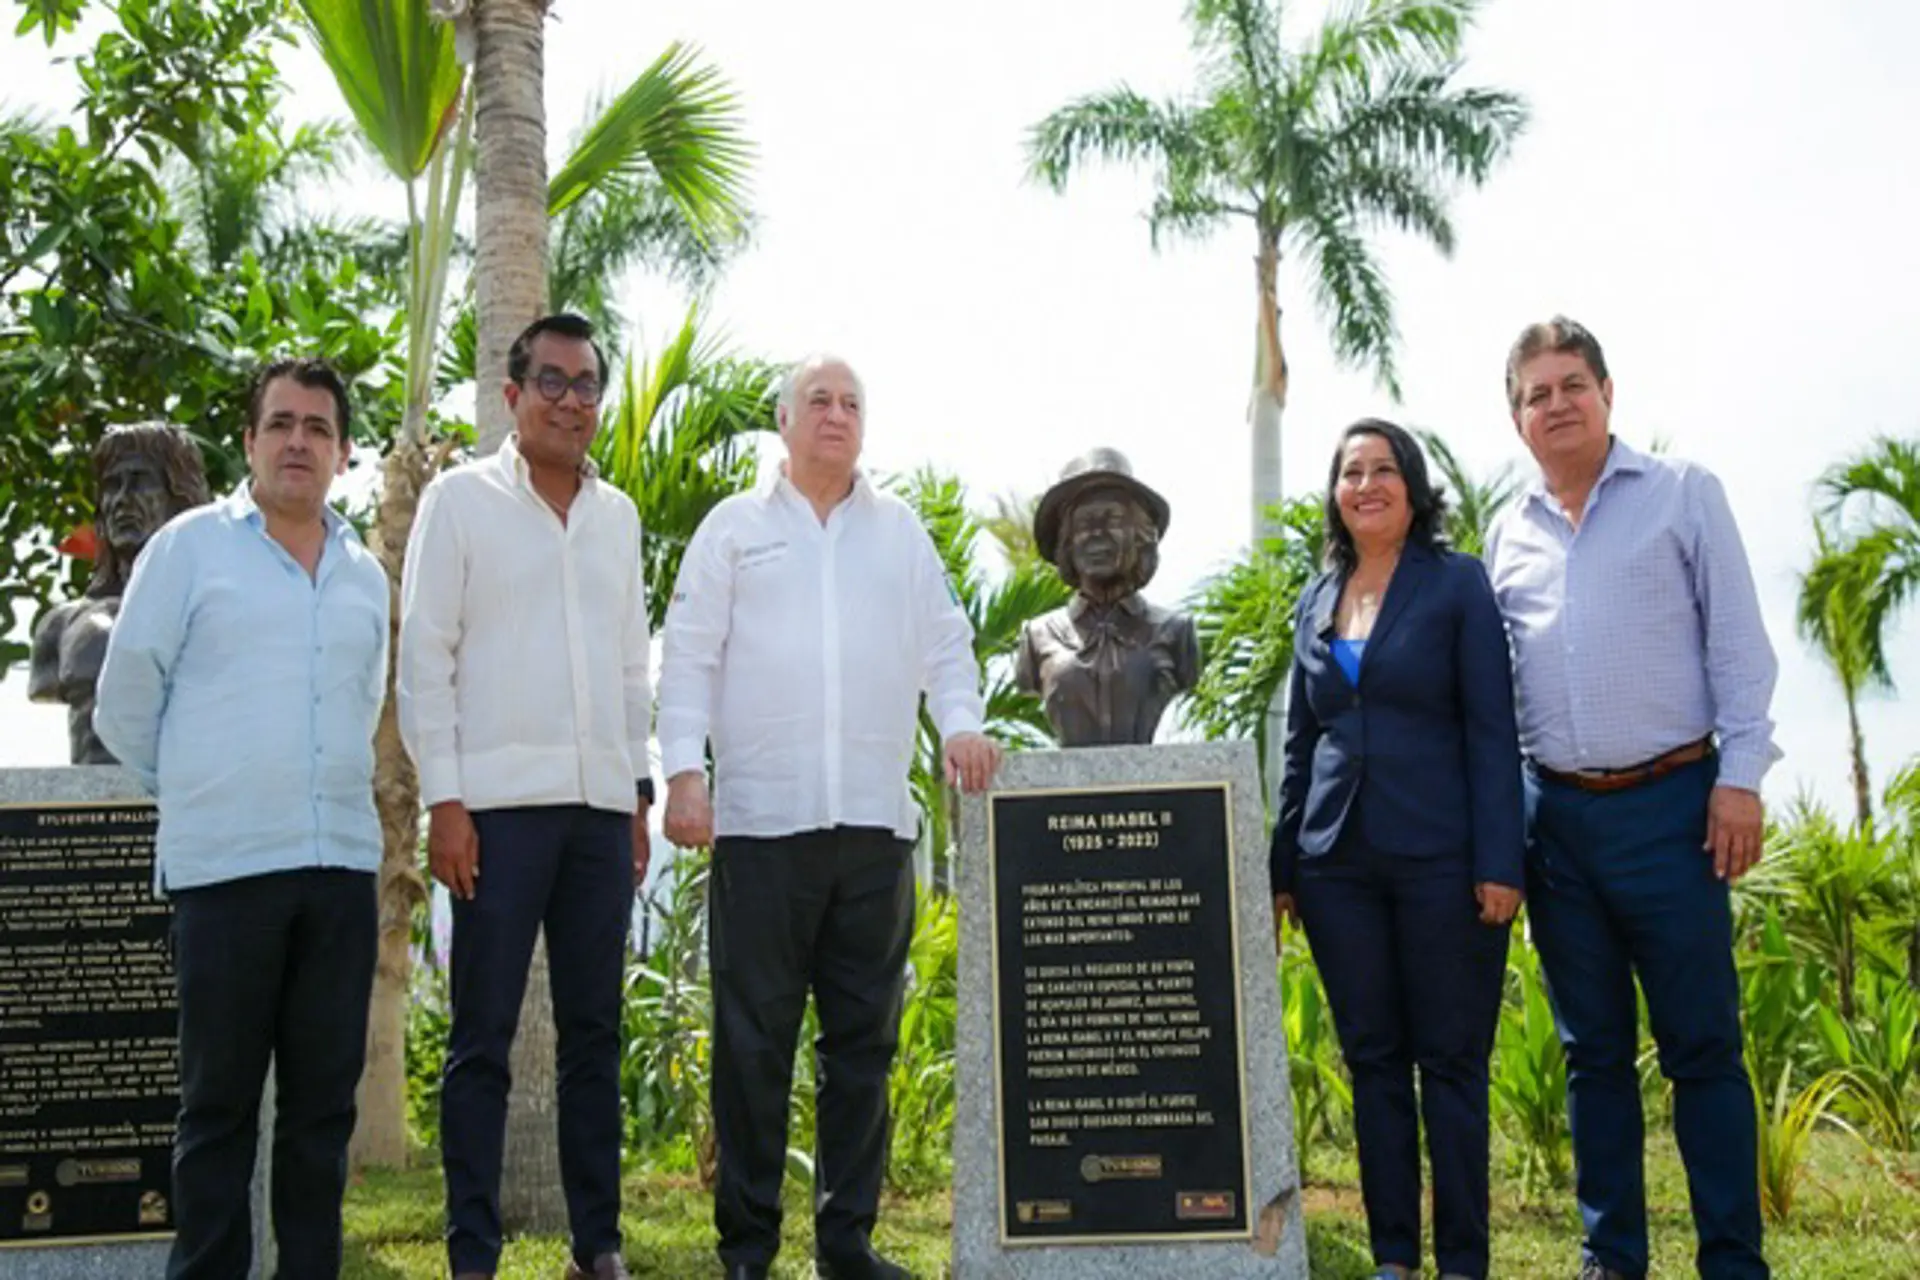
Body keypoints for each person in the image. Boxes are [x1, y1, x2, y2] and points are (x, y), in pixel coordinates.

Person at [657, 354, 1000, 1280]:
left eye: (852, 402)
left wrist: (963, 726)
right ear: (784, 421)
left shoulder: (902, 536)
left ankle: (847, 1242)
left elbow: (948, 649)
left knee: (863, 1049)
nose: (837, 414)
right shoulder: (732, 531)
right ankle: (748, 1247)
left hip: (874, 833)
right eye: (820, 400)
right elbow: (687, 658)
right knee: (753, 1047)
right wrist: (685, 774)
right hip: (762, 831)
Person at [1484, 318, 1777, 1280]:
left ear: (1609, 392)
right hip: (1556, 825)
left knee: (1703, 1048)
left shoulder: (1684, 496)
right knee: (1591, 1054)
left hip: (1677, 811)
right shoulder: (1506, 532)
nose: (1557, 404)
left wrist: (1739, 782)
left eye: (1573, 384)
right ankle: (1612, 1256)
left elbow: (1739, 647)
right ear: (1517, 417)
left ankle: (1732, 1258)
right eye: (1537, 393)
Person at [94, 358, 387, 1280]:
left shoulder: (366, 576)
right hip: (224, 875)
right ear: (253, 440)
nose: (298, 441)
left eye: (318, 428)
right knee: (216, 1112)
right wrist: (199, 792)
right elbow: (124, 703)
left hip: (339, 871)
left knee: (319, 1118)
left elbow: (364, 701)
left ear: (342, 453)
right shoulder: (188, 549)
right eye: (281, 423)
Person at [397, 313, 651, 1280]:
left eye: (588, 385)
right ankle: (473, 1251)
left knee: (595, 1035)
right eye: (552, 381)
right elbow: (427, 656)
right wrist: (444, 801)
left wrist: (633, 790)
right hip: (495, 813)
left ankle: (599, 1246)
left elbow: (631, 666)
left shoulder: (616, 517)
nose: (572, 401)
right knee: (483, 1040)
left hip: (597, 815)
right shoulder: (459, 502)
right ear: (512, 396)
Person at [1270, 419, 1522, 1280]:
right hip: (1335, 862)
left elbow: (1494, 730)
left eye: (1383, 469)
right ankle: (1393, 1259)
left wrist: (1502, 860)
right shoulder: (1316, 594)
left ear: (1413, 489)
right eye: (1350, 472)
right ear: (1335, 492)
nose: (1366, 484)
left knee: (1450, 1061)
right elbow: (1301, 742)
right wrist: (1282, 867)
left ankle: (1460, 1261)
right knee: (1372, 1060)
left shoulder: (1457, 586)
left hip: (1445, 860)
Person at [30, 422, 212, 764]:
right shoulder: (59, 627)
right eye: (112, 486)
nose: (122, 500)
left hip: (189, 805)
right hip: (88, 806)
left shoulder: (219, 617)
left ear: (180, 499)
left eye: (140, 482)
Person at [1015, 447, 1200, 746]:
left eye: (1112, 520)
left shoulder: (1176, 631)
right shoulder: (1037, 636)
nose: (1097, 534)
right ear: (1068, 544)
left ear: (1139, 535)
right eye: (1084, 525)